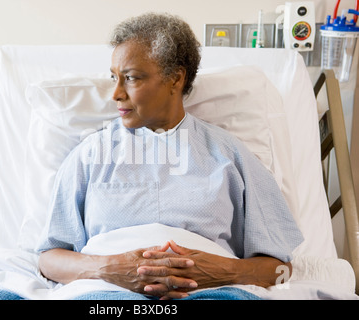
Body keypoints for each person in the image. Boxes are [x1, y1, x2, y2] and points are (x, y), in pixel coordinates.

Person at [36, 12, 303, 300]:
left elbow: (281, 270)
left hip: (212, 293)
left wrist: (224, 272)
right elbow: (48, 260)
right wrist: (108, 268)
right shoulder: (91, 155)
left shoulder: (230, 156)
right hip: (107, 292)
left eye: (131, 78)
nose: (115, 93)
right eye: (114, 78)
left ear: (175, 79)